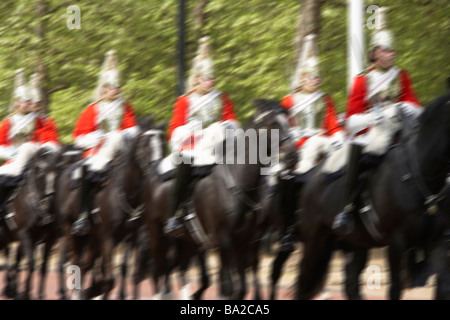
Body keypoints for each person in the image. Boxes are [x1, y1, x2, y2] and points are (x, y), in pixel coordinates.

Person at [332, 7, 422, 235]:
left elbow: (413, 104)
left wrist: (401, 107)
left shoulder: (402, 76)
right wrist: (375, 116)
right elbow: (351, 118)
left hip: (399, 126)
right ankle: (346, 207)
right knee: (359, 150)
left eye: (392, 51)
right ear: (374, 53)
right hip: (372, 130)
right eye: (385, 50)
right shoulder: (362, 80)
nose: (391, 54)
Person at [275, 34, 345, 251]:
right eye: (312, 77)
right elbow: (282, 128)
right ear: (302, 78)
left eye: (318, 77)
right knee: (287, 178)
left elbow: (333, 125)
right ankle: (287, 229)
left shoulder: (325, 100)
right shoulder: (289, 101)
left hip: (322, 142)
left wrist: (337, 138)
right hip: (298, 148)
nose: (316, 80)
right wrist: (295, 135)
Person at [164, 36, 239, 237]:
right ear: (197, 79)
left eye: (213, 78)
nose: (211, 81)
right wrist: (191, 130)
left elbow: (232, 120)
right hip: (193, 145)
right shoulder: (184, 101)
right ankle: (175, 214)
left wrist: (225, 125)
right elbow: (174, 131)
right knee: (185, 162)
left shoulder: (222, 98)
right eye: (207, 78)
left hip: (218, 142)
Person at [71, 50, 139, 236]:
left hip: (122, 151)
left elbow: (133, 128)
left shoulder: (125, 107)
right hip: (98, 153)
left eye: (117, 87)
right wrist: (98, 137)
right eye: (111, 87)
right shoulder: (92, 109)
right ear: (104, 89)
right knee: (86, 171)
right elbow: (78, 137)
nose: (115, 90)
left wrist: (120, 135)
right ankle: (83, 215)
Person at [0, 68, 61, 226]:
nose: (27, 104)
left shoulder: (40, 121)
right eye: (24, 101)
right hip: (14, 161)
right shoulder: (8, 122)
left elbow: (48, 139)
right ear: (16, 103)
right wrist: (13, 153)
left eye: (28, 101)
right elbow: (1, 144)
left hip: (36, 158)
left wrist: (41, 148)